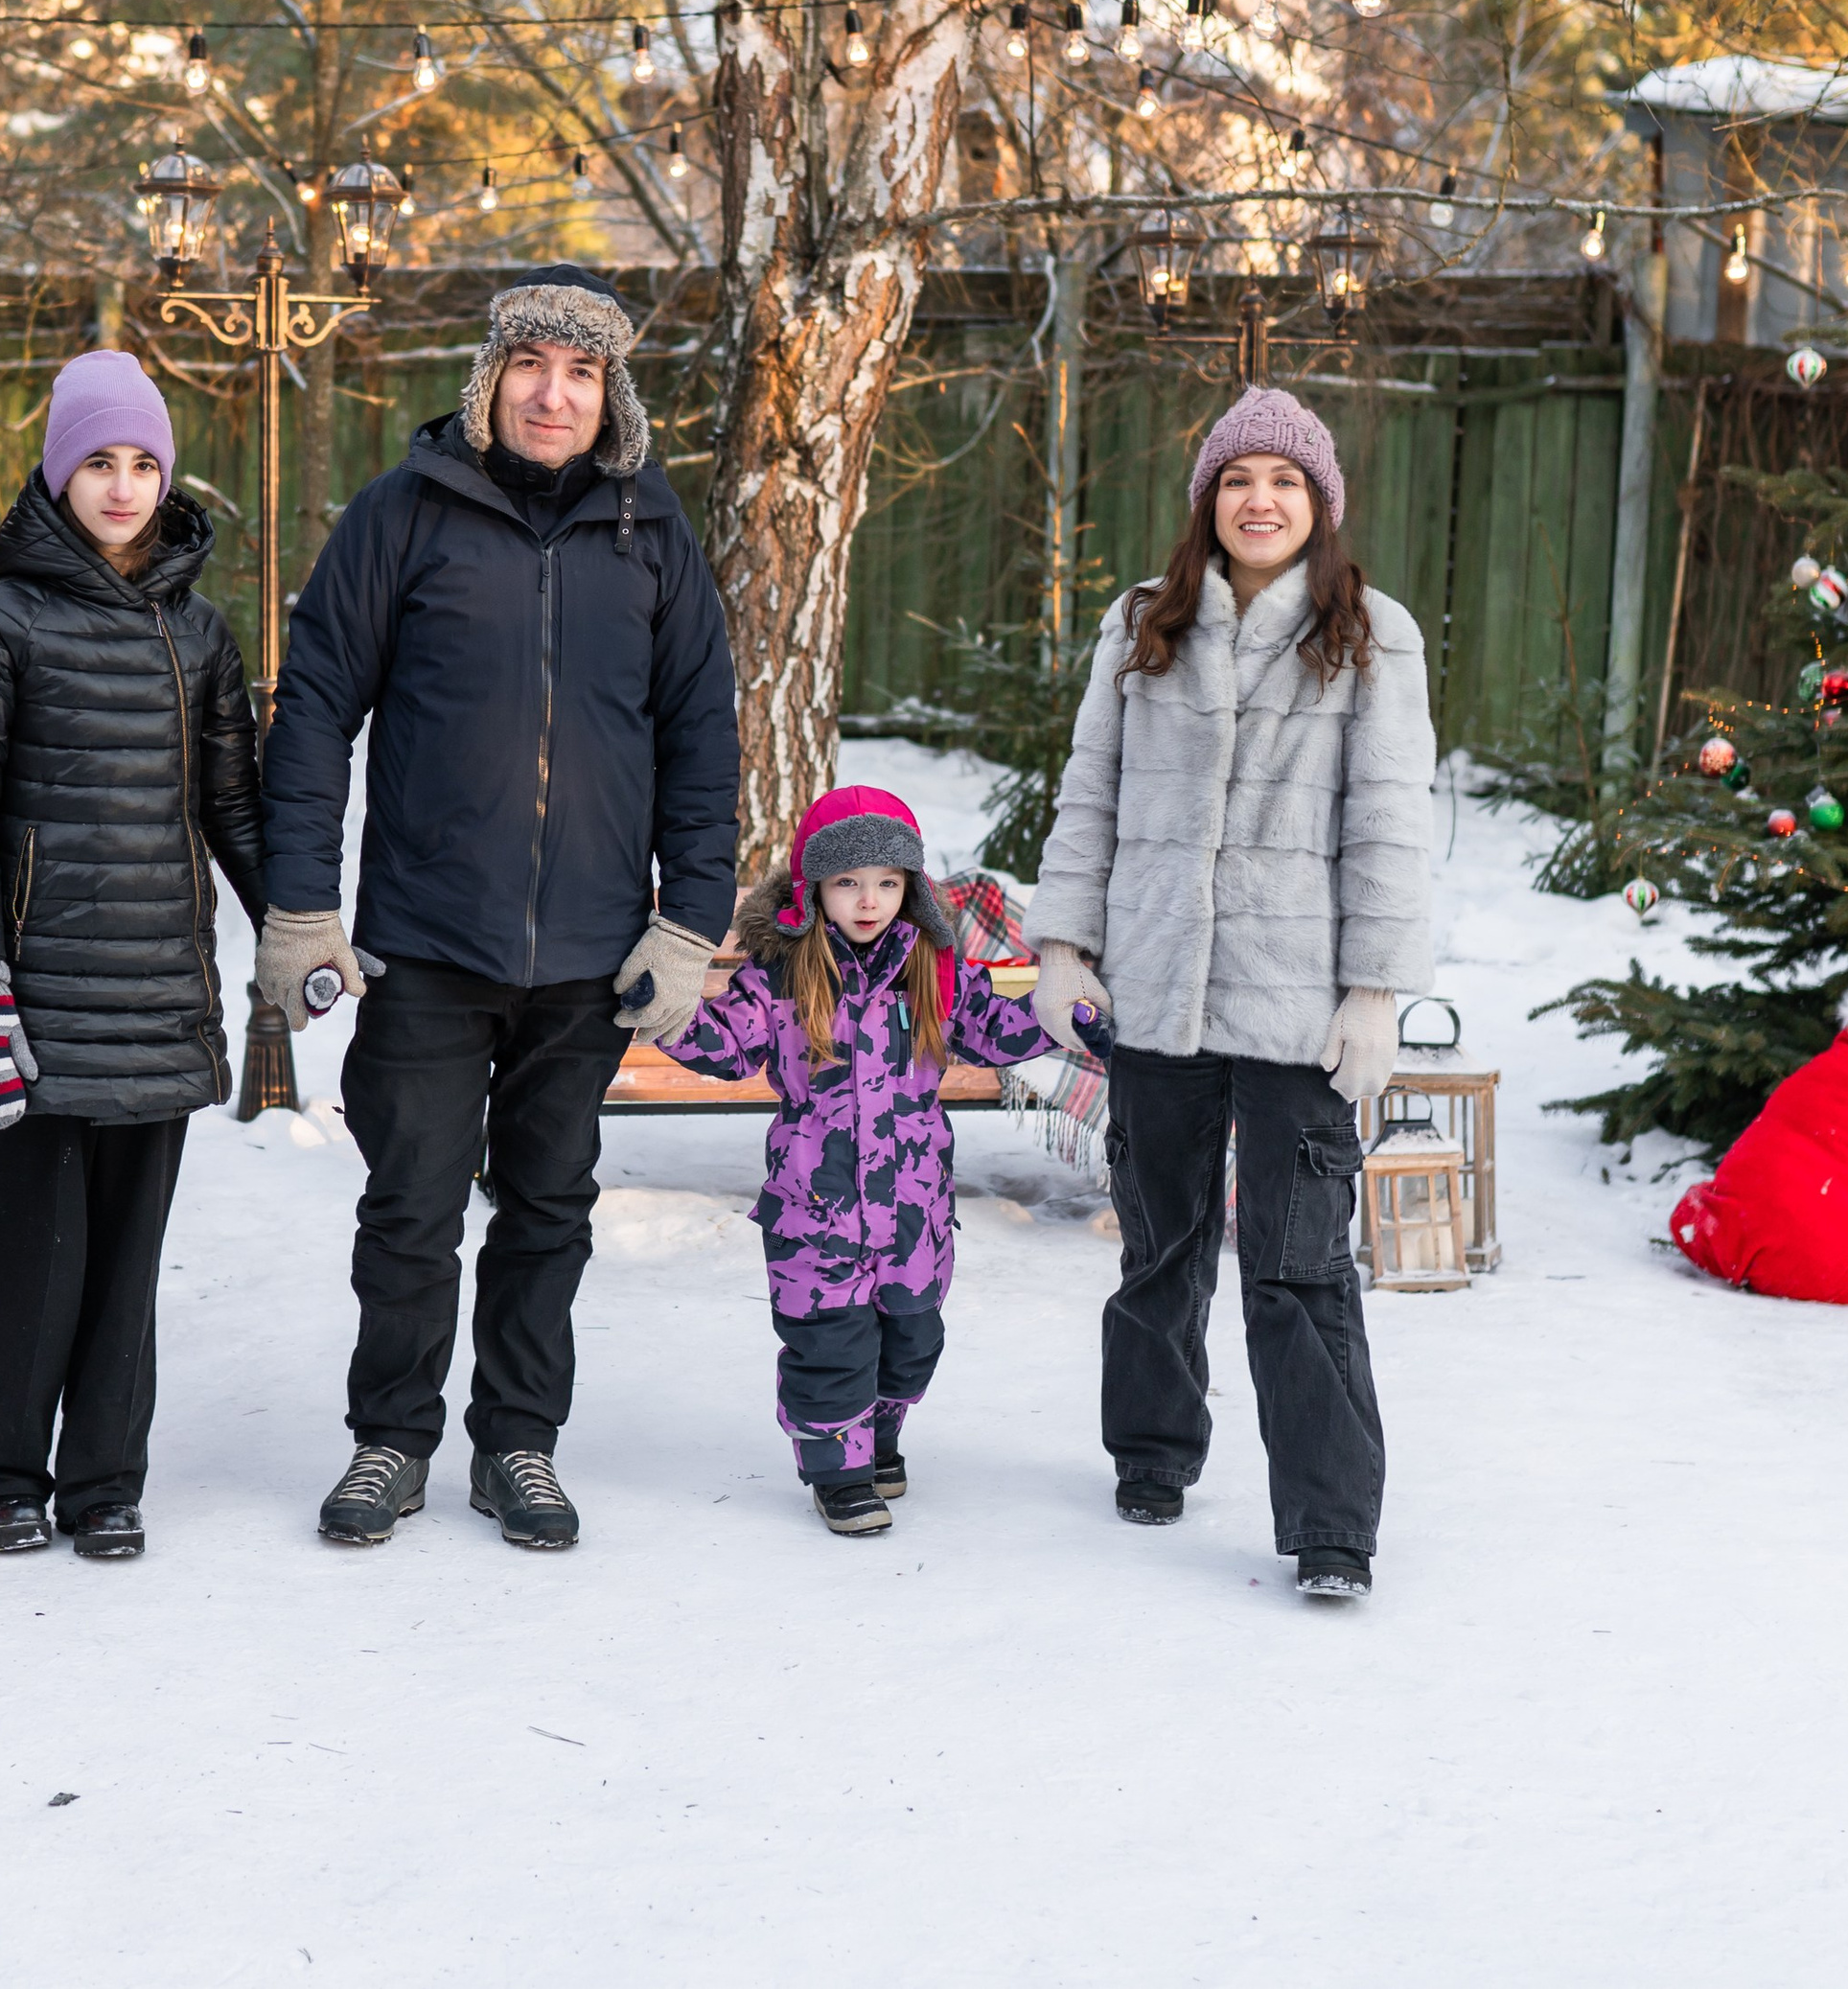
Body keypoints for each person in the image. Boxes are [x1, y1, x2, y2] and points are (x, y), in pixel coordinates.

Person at [257, 265, 739, 1550]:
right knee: (409, 1206)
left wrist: (689, 920)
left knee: (548, 1210)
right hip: (427, 937)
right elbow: (312, 709)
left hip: (589, 953)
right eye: (533, 364)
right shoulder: (402, 515)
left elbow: (702, 733)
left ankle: (519, 1443)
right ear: (491, 378)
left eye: (582, 373)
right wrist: (303, 905)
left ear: (609, 395)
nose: (554, 392)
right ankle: (390, 1441)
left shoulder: (652, 534)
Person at [1026, 385, 1435, 1599]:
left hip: (1294, 1007)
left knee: (1300, 1266)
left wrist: (1373, 990)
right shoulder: (1143, 624)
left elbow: (1389, 827)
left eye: (1286, 482)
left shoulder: (1369, 633)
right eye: (1240, 481)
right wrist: (1062, 944)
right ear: (1208, 500)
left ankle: (1329, 1525)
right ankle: (1150, 1451)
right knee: (1159, 1245)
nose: (1261, 500)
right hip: (1154, 991)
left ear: (1320, 506)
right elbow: (1087, 790)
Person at [0, 348, 266, 1561]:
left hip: (162, 992)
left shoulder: (201, 633)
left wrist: (296, 927)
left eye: (142, 463)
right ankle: (5, 1470)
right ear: (60, 472)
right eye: (98, 462)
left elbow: (235, 809)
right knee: (31, 1253)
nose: (121, 487)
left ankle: (107, 1480)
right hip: (38, 999)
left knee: (127, 1264)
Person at [658, 788, 1058, 1535]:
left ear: (910, 889)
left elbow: (996, 1030)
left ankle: (878, 1430)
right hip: (818, 1205)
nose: (867, 900)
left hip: (914, 1209)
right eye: (847, 882)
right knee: (828, 1341)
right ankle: (836, 1470)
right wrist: (668, 1014)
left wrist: (1064, 1016)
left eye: (886, 882)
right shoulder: (783, 971)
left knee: (912, 1338)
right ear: (816, 887)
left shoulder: (933, 969)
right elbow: (728, 1044)